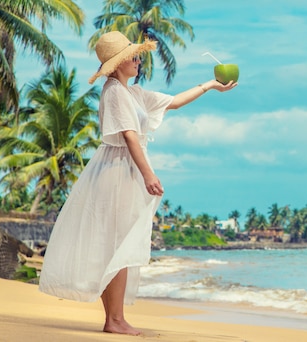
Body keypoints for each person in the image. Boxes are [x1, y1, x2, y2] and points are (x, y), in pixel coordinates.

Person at [38, 30, 237, 336]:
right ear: (117, 64)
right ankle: (114, 320)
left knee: (117, 244)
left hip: (122, 169)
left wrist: (210, 85)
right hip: (119, 170)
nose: (138, 60)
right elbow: (130, 136)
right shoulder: (114, 92)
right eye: (132, 56)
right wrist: (148, 174)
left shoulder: (132, 92)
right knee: (119, 245)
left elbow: (174, 102)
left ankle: (113, 319)